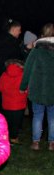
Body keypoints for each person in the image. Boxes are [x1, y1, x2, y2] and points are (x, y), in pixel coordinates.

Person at [20, 23, 54, 151]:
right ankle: (52, 142)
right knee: (52, 117)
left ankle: (36, 142)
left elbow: (27, 69)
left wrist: (23, 86)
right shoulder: (36, 50)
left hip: (37, 89)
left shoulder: (36, 50)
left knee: (38, 115)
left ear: (42, 34)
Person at [0, 19, 24, 91]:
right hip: (5, 77)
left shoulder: (0, 39)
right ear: (13, 29)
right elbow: (18, 61)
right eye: (19, 30)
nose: (20, 32)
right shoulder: (13, 44)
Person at [0, 59, 27, 144]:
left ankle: (6, 137)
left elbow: (0, 87)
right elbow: (26, 88)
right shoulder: (23, 75)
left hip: (6, 103)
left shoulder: (4, 75)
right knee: (16, 122)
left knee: (8, 121)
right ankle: (14, 138)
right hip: (19, 104)